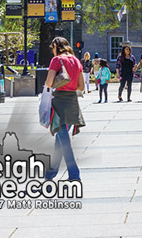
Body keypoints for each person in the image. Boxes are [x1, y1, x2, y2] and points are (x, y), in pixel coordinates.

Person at [43, 37, 84, 181]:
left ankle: (74, 175)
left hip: (59, 104)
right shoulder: (76, 60)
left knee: (64, 143)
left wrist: (57, 83)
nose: (52, 50)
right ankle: (50, 174)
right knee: (59, 142)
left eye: (52, 47)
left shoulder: (57, 60)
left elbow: (48, 82)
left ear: (56, 46)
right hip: (72, 104)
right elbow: (81, 87)